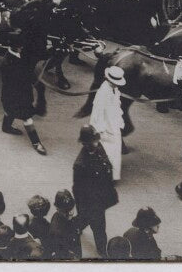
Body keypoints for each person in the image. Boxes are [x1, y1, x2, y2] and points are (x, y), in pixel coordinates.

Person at [72, 124, 118, 258]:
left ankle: (76, 226)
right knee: (99, 227)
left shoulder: (98, 148)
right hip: (91, 201)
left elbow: (106, 166)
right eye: (94, 141)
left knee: (84, 218)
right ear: (86, 143)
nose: (97, 143)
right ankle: (103, 250)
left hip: (101, 196)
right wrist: (83, 207)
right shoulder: (80, 164)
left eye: (96, 140)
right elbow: (78, 189)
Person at [0, 46, 46, 155]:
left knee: (9, 111)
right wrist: (35, 81)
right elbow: (24, 75)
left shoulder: (16, 56)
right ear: (18, 47)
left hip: (14, 94)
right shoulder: (7, 63)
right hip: (15, 95)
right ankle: (36, 142)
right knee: (27, 118)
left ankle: (6, 127)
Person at [89, 66, 125, 180]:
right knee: (106, 150)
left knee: (115, 149)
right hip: (105, 124)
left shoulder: (115, 90)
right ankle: (104, 175)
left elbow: (116, 105)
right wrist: (100, 128)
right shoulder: (103, 91)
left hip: (113, 122)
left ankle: (112, 174)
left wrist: (119, 120)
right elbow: (97, 111)